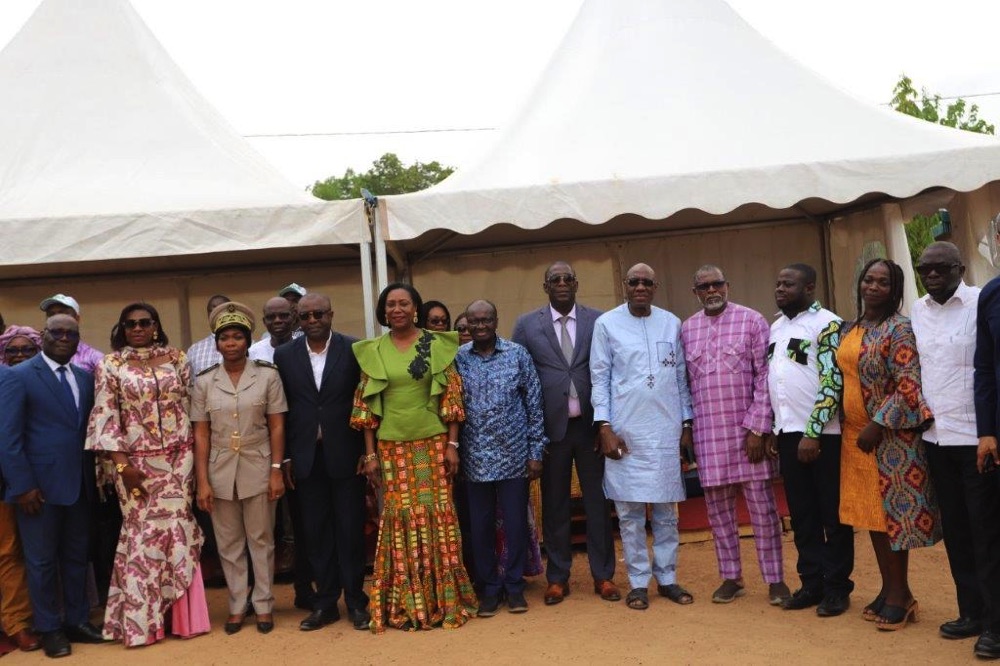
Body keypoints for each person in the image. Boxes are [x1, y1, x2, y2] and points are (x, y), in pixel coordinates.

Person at [351, 283, 477, 632]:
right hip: (392, 448)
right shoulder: (372, 351)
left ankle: (442, 602)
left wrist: (452, 445)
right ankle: (407, 604)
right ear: (383, 311)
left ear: (416, 308)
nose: (397, 309)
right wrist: (370, 454)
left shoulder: (437, 345)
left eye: (404, 303)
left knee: (439, 518)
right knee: (400, 520)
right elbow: (366, 408)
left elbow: (452, 398)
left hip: (433, 445)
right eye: (390, 304)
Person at [85, 302, 210, 647]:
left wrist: (197, 462)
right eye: (130, 324)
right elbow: (106, 416)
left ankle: (184, 618)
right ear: (122, 329)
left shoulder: (178, 359)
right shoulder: (110, 364)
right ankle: (143, 622)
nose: (137, 328)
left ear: (155, 325)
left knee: (179, 531)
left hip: (179, 460)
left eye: (144, 322)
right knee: (141, 538)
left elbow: (191, 407)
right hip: (134, 465)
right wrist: (122, 467)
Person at [836, 258, 939, 631]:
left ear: (894, 289)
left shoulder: (899, 329)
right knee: (872, 518)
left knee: (894, 518)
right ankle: (890, 589)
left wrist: (878, 424)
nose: (873, 287)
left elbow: (909, 383)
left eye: (882, 282)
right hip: (855, 439)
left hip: (889, 439)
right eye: (868, 280)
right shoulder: (855, 326)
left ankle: (901, 597)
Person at [681, 266, 789, 606]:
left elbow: (764, 377)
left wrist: (758, 427)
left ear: (727, 285)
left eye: (717, 284)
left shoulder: (753, 321)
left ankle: (775, 579)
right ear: (695, 291)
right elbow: (683, 383)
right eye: (704, 286)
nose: (712, 290)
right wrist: (687, 429)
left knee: (763, 510)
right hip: (708, 433)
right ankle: (731, 576)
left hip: (748, 435)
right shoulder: (687, 329)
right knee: (718, 512)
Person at [512, 261, 618, 605]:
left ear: (577, 283)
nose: (561, 283)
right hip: (550, 430)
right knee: (555, 505)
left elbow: (610, 369)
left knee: (598, 503)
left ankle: (603, 576)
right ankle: (557, 577)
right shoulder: (527, 325)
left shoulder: (599, 320)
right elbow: (520, 379)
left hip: (591, 428)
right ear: (545, 287)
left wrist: (608, 423)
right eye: (554, 279)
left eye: (567, 278)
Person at [590, 263, 695, 611]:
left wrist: (686, 424)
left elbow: (680, 378)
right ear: (625, 285)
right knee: (630, 514)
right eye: (633, 281)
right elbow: (599, 377)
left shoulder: (671, 322)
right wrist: (604, 426)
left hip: (664, 431)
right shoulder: (606, 324)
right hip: (625, 432)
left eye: (646, 282)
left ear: (655, 286)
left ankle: (667, 578)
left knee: (666, 512)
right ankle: (638, 583)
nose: (639, 286)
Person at [0, 315, 105, 658]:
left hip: (79, 485)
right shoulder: (19, 376)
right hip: (37, 491)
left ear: (78, 339)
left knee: (76, 558)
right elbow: (8, 437)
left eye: (70, 333)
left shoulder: (84, 377)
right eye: (56, 332)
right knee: (41, 562)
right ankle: (49, 629)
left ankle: (76, 620)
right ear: (43, 335)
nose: (63, 337)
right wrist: (22, 485)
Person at [273, 293, 370, 632]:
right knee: (315, 535)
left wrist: (365, 450)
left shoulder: (354, 349)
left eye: (318, 314)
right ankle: (325, 603)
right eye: (305, 315)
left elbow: (364, 402)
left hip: (347, 457)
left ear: (331, 314)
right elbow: (280, 410)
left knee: (349, 533)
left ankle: (357, 602)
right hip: (305, 459)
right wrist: (284, 457)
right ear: (298, 318)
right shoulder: (283, 356)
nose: (312, 320)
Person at [191, 302, 287, 635]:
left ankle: (263, 604)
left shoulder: (267, 375)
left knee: (261, 539)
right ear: (216, 343)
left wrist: (276, 469)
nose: (231, 343)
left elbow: (276, 425)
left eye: (237, 337)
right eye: (225, 338)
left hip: (258, 465)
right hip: (219, 470)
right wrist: (201, 480)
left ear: (247, 340)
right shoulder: (204, 381)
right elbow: (200, 432)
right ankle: (236, 604)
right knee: (228, 542)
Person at [768, 264, 855, 616]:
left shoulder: (828, 323)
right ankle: (811, 583)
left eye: (788, 283)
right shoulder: (775, 326)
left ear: (810, 287)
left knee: (831, 516)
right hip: (788, 434)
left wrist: (813, 431)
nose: (780, 288)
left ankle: (837, 588)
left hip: (822, 436)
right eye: (778, 283)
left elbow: (833, 382)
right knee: (802, 515)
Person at [454, 300, 546, 616]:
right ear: (467, 323)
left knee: (516, 524)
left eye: (486, 319)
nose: (480, 326)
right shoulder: (457, 360)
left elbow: (534, 404)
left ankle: (515, 587)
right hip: (474, 459)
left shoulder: (517, 355)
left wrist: (535, 452)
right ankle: (490, 589)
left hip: (514, 456)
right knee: (479, 527)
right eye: (474, 320)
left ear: (496, 320)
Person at [0, 327, 41, 652]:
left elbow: (8, 440)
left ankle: (15, 622)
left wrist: (22, 484)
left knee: (8, 553)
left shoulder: (5, 378)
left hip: (4, 483)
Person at [38, 294, 104, 373]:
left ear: (77, 319)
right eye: (51, 314)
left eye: (62, 313)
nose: (56, 318)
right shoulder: (33, 350)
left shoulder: (94, 358)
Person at [186, 294, 230, 374]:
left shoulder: (248, 346)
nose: (216, 313)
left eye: (221, 309)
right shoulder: (194, 350)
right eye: (212, 310)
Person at [249, 297, 301, 362]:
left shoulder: (305, 349)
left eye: (283, 315)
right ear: (264, 322)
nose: (277, 321)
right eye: (271, 317)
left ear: (293, 318)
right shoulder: (253, 353)